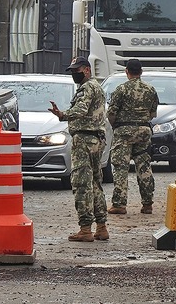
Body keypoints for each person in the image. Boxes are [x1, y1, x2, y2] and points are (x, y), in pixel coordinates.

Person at [49, 56, 108, 242]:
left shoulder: (87, 88)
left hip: (84, 140)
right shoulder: (96, 87)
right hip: (96, 140)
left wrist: (62, 114)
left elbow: (81, 110)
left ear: (87, 70)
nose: (75, 74)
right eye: (73, 71)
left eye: (77, 70)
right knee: (96, 184)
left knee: (81, 183)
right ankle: (101, 227)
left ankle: (85, 229)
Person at [107, 59, 159, 216]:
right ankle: (147, 203)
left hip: (124, 131)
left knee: (120, 167)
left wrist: (116, 126)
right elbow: (153, 113)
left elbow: (111, 113)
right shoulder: (150, 90)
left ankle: (119, 204)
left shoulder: (121, 89)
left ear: (126, 71)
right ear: (141, 72)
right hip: (143, 130)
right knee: (144, 166)